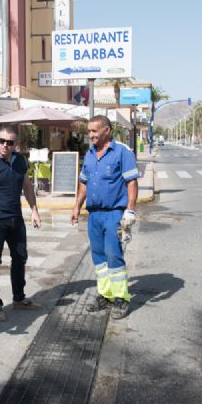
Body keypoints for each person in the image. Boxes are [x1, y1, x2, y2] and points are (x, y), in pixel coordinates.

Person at [71, 115, 139, 319]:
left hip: (113, 214)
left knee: (113, 255)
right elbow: (83, 182)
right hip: (94, 215)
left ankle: (121, 298)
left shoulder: (122, 152)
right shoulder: (90, 153)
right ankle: (105, 294)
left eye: (94, 131)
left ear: (107, 130)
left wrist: (130, 210)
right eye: (89, 131)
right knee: (99, 258)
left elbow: (132, 183)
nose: (90, 135)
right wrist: (76, 207)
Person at [0, 125, 42, 321]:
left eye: (9, 142)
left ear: (16, 144)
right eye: (1, 141)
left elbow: (26, 186)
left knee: (20, 257)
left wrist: (34, 210)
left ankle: (19, 298)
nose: (4, 145)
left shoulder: (20, 161)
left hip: (15, 219)